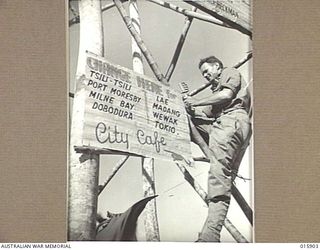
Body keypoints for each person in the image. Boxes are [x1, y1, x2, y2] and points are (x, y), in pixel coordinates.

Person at [183, 56, 252, 242]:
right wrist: (189, 105)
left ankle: (210, 237)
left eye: (207, 71)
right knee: (223, 179)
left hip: (232, 122)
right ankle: (209, 233)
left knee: (218, 177)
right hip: (228, 125)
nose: (205, 76)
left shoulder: (229, 72)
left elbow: (227, 95)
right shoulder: (215, 93)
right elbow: (201, 115)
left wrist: (195, 102)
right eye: (203, 74)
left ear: (217, 66)